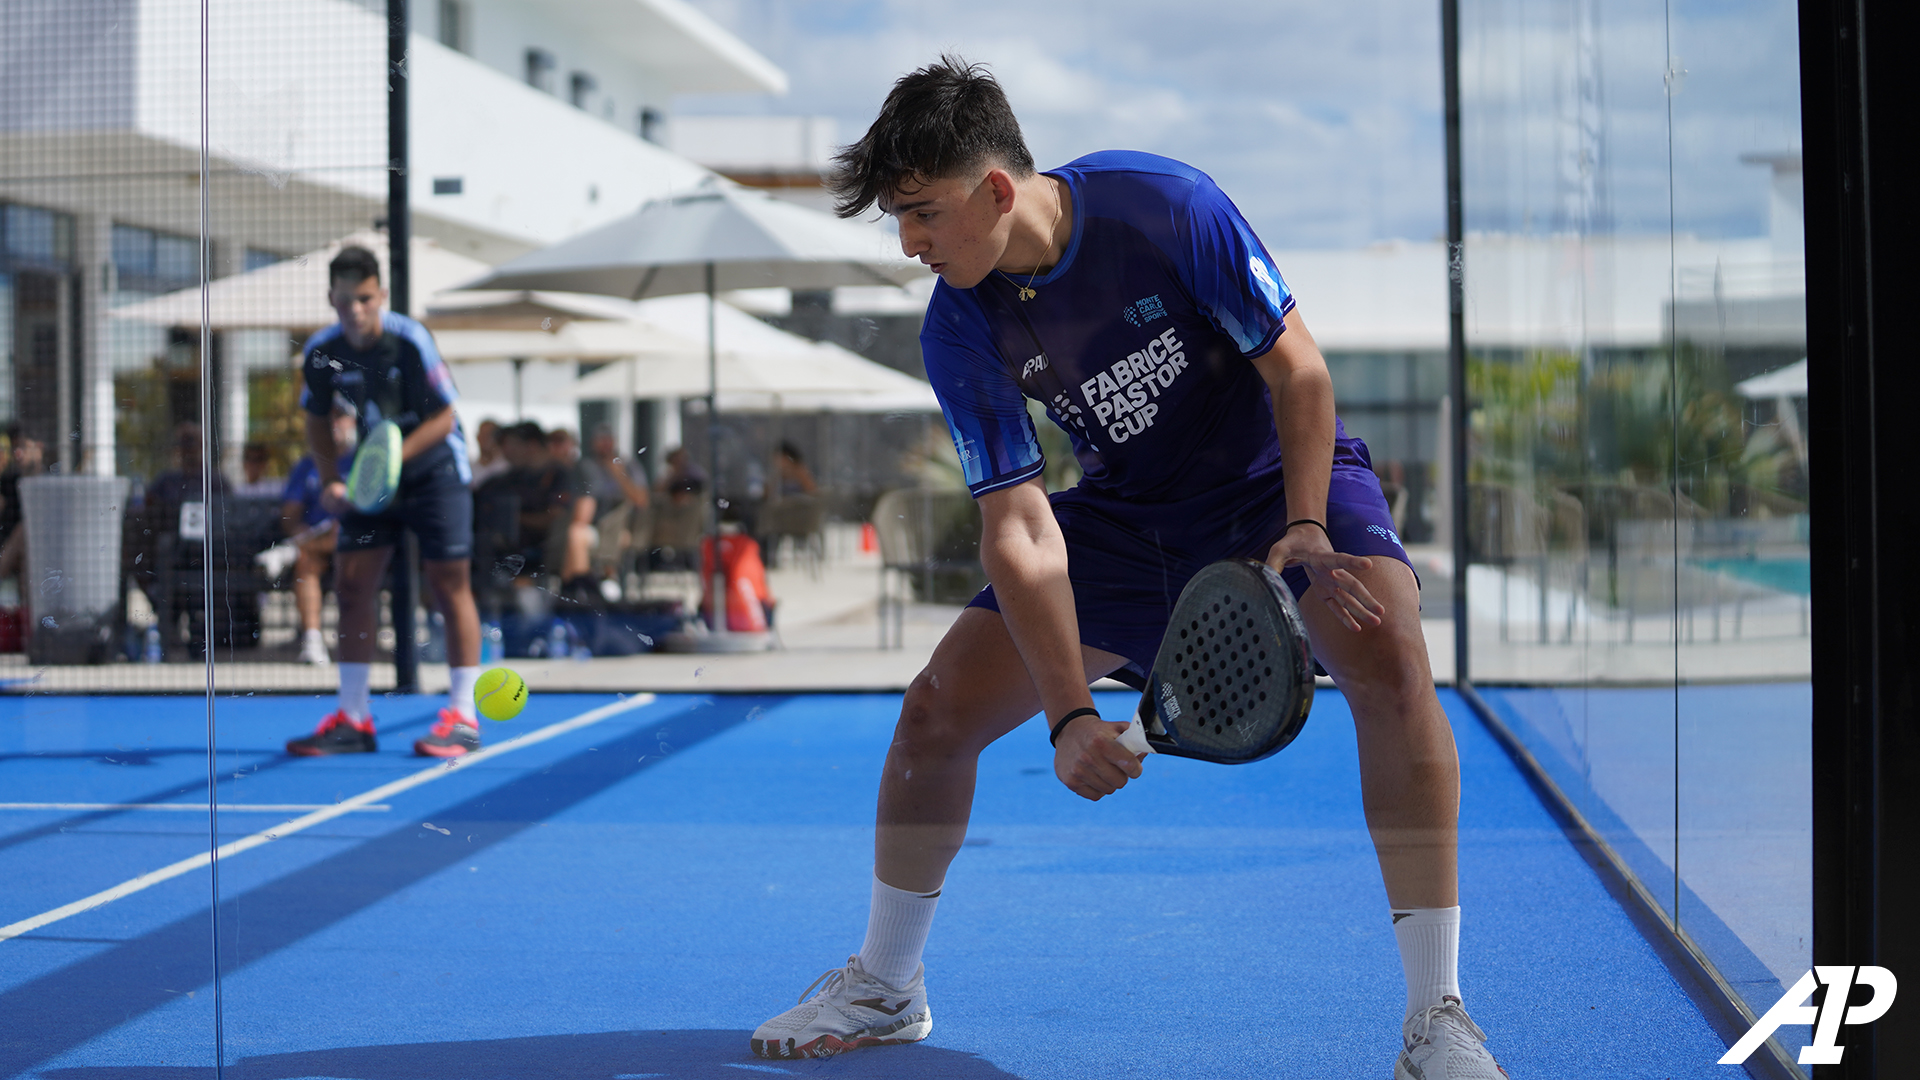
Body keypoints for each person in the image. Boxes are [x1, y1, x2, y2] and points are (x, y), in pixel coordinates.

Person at [748, 57, 1508, 1080]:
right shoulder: (961, 325)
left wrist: (1308, 524)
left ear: (997, 191)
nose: (910, 242)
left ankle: (1439, 1018)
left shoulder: (1167, 208)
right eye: (898, 218)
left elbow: (1301, 370)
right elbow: (1019, 526)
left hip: (1267, 491)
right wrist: (1068, 714)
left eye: (922, 213)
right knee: (933, 712)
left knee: (1394, 660)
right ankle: (886, 987)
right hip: (1122, 523)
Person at [283, 245, 485, 759]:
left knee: (448, 583)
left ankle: (463, 716)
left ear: (382, 296)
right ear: (332, 297)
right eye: (346, 299)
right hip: (373, 481)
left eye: (365, 298)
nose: (355, 308)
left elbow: (444, 418)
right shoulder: (322, 351)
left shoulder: (410, 341)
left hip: (433, 471)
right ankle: (353, 719)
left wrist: (390, 460)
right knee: (352, 586)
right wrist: (331, 479)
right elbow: (315, 419)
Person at [278, 407, 358, 665]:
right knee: (305, 562)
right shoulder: (307, 464)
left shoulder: (363, 460)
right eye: (329, 416)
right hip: (316, 545)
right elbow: (290, 513)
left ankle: (355, 644)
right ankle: (312, 641)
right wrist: (296, 529)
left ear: (353, 421)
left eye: (341, 416)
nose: (335, 423)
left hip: (356, 543)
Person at [576, 424, 652, 591]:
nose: (604, 444)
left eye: (607, 439)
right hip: (593, 520)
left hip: (623, 522)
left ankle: (609, 575)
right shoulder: (586, 466)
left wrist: (619, 474)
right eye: (600, 440)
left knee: (617, 518)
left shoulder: (628, 466)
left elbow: (641, 500)